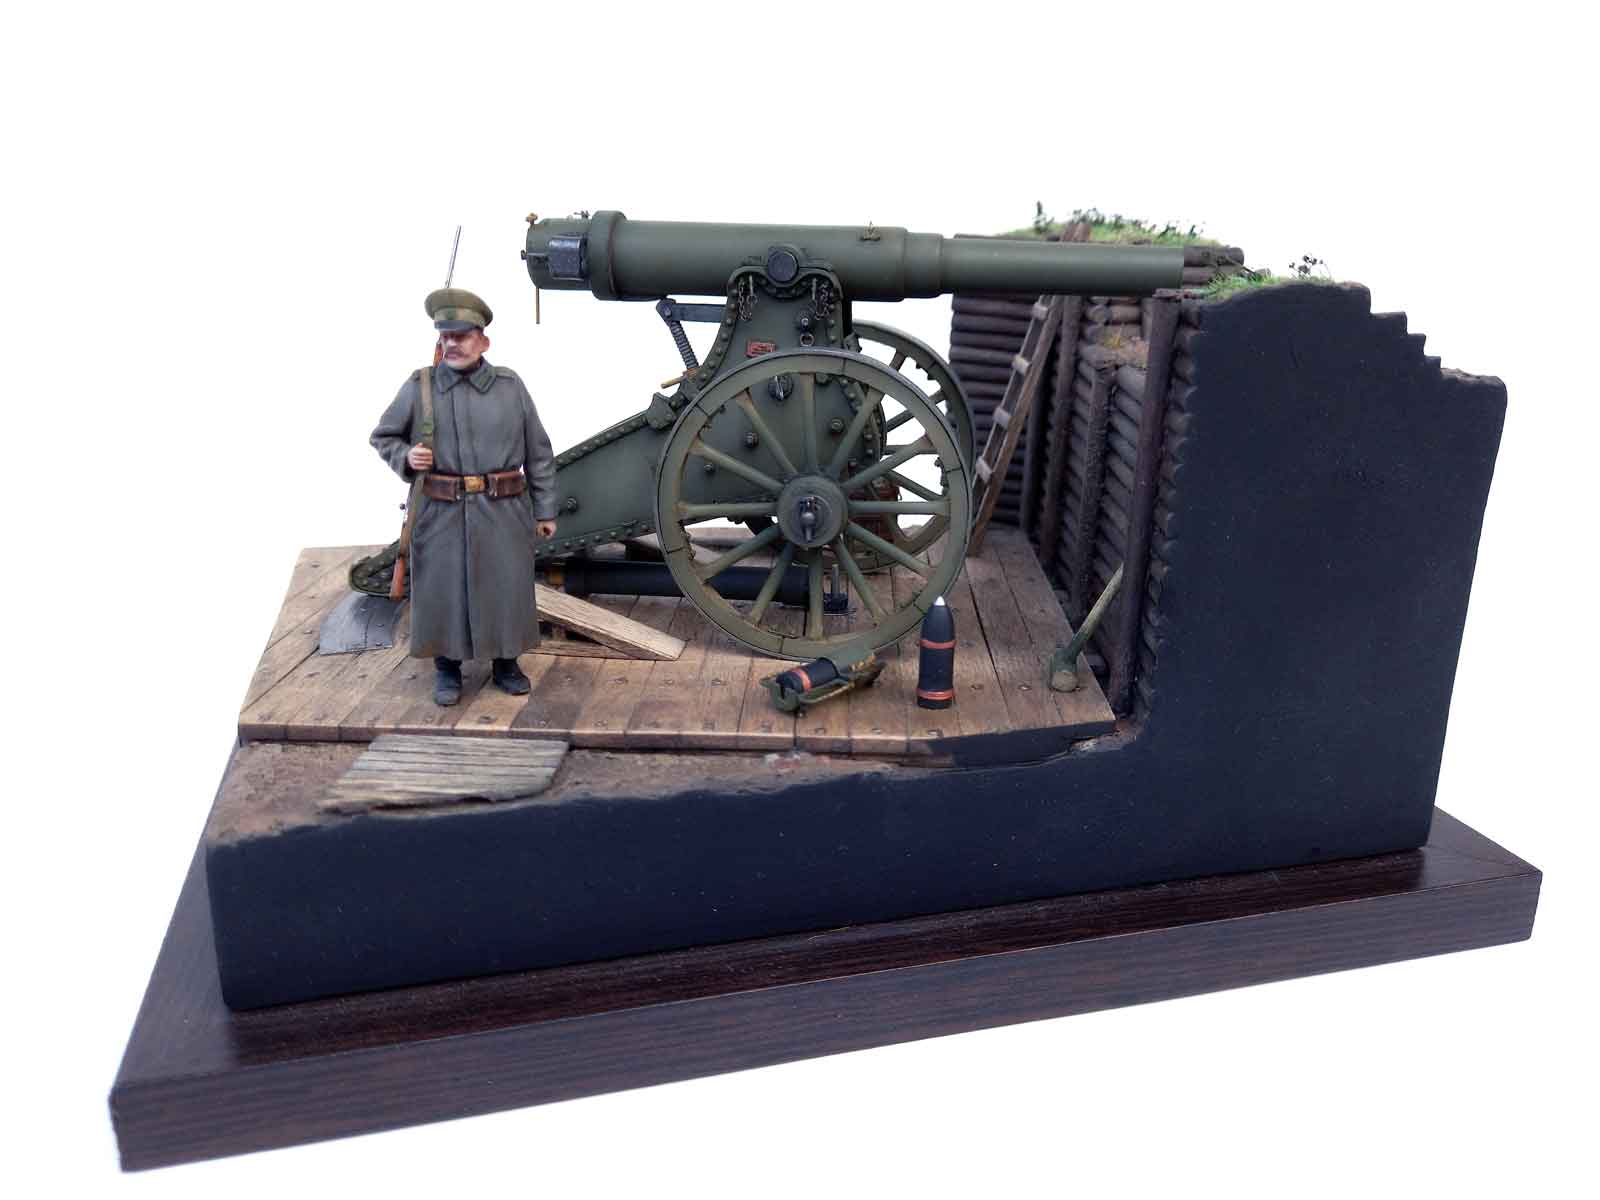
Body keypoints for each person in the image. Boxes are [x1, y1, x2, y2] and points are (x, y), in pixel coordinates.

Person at [371, 287, 558, 705]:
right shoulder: (420, 387)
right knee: (443, 590)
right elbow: (384, 436)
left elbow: (538, 452)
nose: (453, 344)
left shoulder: (510, 386)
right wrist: (407, 456)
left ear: (483, 341)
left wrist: (545, 510)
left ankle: (506, 663)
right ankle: (447, 667)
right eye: (446, 336)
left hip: (504, 509)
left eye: (462, 336)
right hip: (441, 510)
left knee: (506, 587)